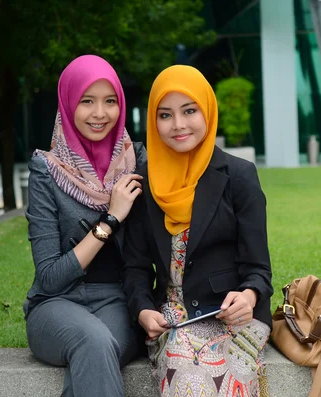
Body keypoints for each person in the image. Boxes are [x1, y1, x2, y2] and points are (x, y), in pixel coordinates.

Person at [122, 65, 273, 397]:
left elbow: (259, 270)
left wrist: (248, 297)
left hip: (234, 318)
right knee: (183, 370)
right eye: (165, 114)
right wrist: (144, 311)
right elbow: (134, 268)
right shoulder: (144, 184)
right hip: (174, 320)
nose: (178, 124)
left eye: (189, 111)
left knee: (228, 378)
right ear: (152, 120)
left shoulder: (238, 176)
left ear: (207, 110)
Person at [23, 54, 146, 397]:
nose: (100, 114)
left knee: (95, 351)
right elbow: (49, 278)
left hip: (118, 303)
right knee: (92, 341)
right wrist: (110, 218)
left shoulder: (137, 161)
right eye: (87, 101)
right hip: (54, 306)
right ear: (67, 103)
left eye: (110, 102)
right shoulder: (46, 171)